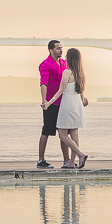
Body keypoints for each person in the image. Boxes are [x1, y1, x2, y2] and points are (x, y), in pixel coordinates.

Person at [50, 48, 89, 169]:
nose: (64, 56)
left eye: (67, 55)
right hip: (77, 105)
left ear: (70, 58)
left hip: (67, 104)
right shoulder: (81, 74)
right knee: (74, 134)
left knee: (62, 135)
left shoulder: (67, 72)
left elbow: (60, 91)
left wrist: (48, 103)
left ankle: (80, 154)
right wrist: (83, 101)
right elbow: (81, 92)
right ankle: (72, 162)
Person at [38, 40, 70, 168]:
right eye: (57, 48)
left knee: (64, 132)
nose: (61, 50)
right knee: (46, 130)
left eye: (61, 48)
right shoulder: (45, 64)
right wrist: (44, 100)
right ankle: (41, 160)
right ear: (51, 50)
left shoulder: (65, 63)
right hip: (51, 103)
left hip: (64, 103)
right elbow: (43, 83)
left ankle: (67, 161)